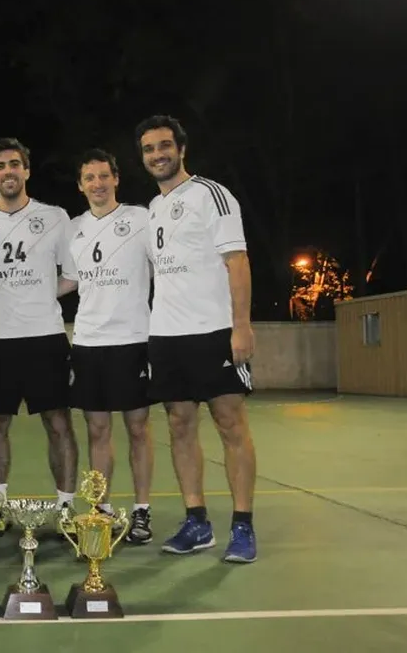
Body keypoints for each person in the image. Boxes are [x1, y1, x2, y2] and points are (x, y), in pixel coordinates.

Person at [135, 114, 257, 563]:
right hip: (167, 335)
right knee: (180, 425)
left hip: (214, 332)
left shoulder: (211, 194)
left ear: (181, 149)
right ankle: (196, 521)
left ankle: (242, 526)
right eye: (148, 149)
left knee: (230, 424)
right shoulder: (152, 208)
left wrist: (240, 326)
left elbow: (238, 261)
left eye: (164, 146)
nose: (157, 155)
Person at [0, 137, 79, 532]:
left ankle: (65, 506)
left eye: (15, 164)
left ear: (27, 170)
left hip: (45, 336)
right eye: (0, 166)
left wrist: (39, 293)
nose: (8, 171)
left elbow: (72, 274)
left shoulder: (55, 217)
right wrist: (3, 293)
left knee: (58, 421)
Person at [57, 149, 154, 544]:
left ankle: (143, 510)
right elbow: (69, 282)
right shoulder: (73, 230)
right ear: (80, 186)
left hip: (133, 339)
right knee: (97, 429)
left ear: (116, 179)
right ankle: (101, 508)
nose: (97, 184)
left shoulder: (141, 220)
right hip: (89, 341)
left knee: (138, 428)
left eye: (103, 176)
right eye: (89, 178)